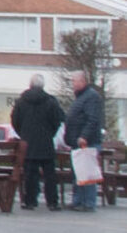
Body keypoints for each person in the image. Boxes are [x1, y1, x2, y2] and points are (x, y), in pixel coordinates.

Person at [11, 73, 66, 210]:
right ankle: (52, 202)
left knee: (30, 173)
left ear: (30, 85)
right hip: (46, 142)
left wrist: (23, 134)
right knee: (50, 174)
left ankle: (30, 201)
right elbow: (57, 120)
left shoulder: (21, 101)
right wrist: (50, 134)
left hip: (28, 142)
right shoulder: (51, 101)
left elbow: (15, 121)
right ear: (43, 86)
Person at [63, 69, 106, 211]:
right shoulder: (81, 97)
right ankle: (78, 200)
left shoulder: (91, 97)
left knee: (86, 172)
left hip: (87, 142)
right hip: (78, 141)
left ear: (82, 81)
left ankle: (88, 202)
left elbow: (93, 119)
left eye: (74, 81)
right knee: (79, 172)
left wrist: (84, 136)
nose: (72, 84)